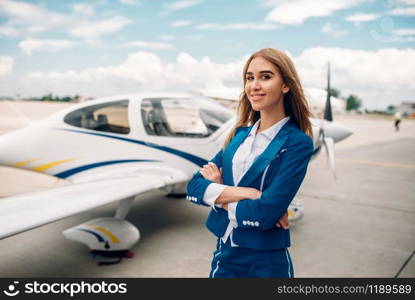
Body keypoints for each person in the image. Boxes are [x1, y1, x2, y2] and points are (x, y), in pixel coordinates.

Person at [186, 48, 314, 278]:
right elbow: (194, 187)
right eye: (249, 78)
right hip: (224, 254)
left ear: (285, 85)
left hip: (266, 260)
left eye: (265, 77)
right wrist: (248, 193)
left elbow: (266, 213)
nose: (254, 85)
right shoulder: (238, 136)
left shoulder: (298, 142)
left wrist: (219, 194)